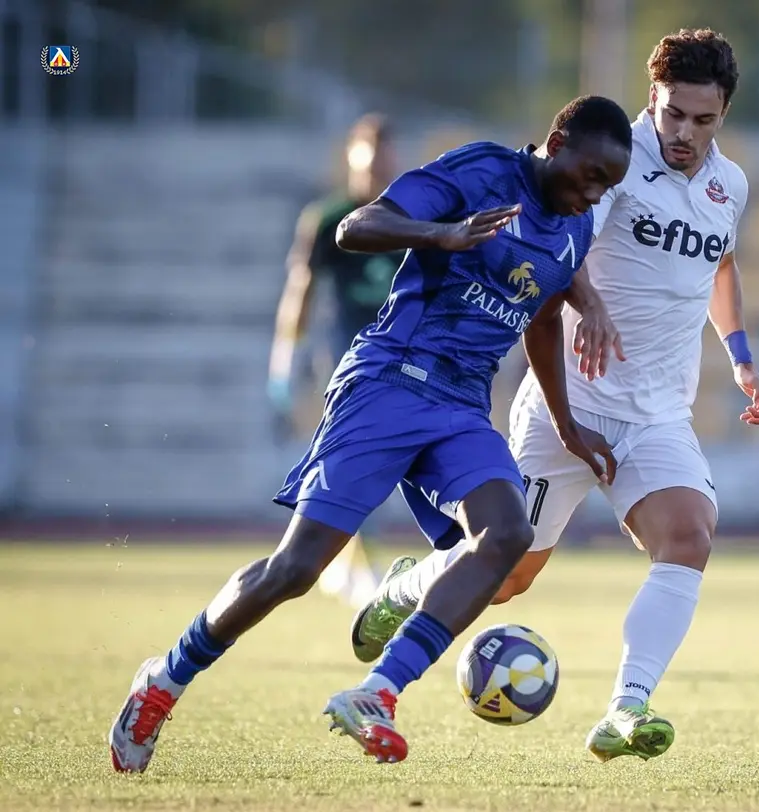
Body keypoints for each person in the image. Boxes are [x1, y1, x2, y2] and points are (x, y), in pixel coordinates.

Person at [108, 95, 634, 773]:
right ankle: (164, 680)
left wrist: (567, 423)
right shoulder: (480, 171)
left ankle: (377, 693)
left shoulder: (576, 225)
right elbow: (357, 227)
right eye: (590, 176)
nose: (594, 195)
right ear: (557, 144)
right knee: (296, 570)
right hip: (389, 381)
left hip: (462, 405)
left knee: (508, 535)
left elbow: (540, 316)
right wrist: (442, 234)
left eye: (607, 186)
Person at [348, 27, 759, 764]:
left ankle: (627, 709)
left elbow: (720, 265)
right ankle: (407, 587)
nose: (684, 133)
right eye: (673, 113)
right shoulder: (614, 163)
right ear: (653, 97)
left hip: (657, 415)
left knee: (689, 537)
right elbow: (555, 244)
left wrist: (740, 358)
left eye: (703, 120)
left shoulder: (727, 185)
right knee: (506, 576)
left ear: (724, 114)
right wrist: (592, 304)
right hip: (566, 406)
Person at [267, 113, 403, 607]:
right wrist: (285, 357)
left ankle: (346, 557)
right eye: (368, 164)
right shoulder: (328, 219)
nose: (375, 173)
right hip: (350, 357)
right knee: (356, 457)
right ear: (351, 160)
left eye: (383, 162)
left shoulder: (413, 216)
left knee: (375, 461)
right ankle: (360, 561)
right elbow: (301, 289)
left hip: (406, 357)